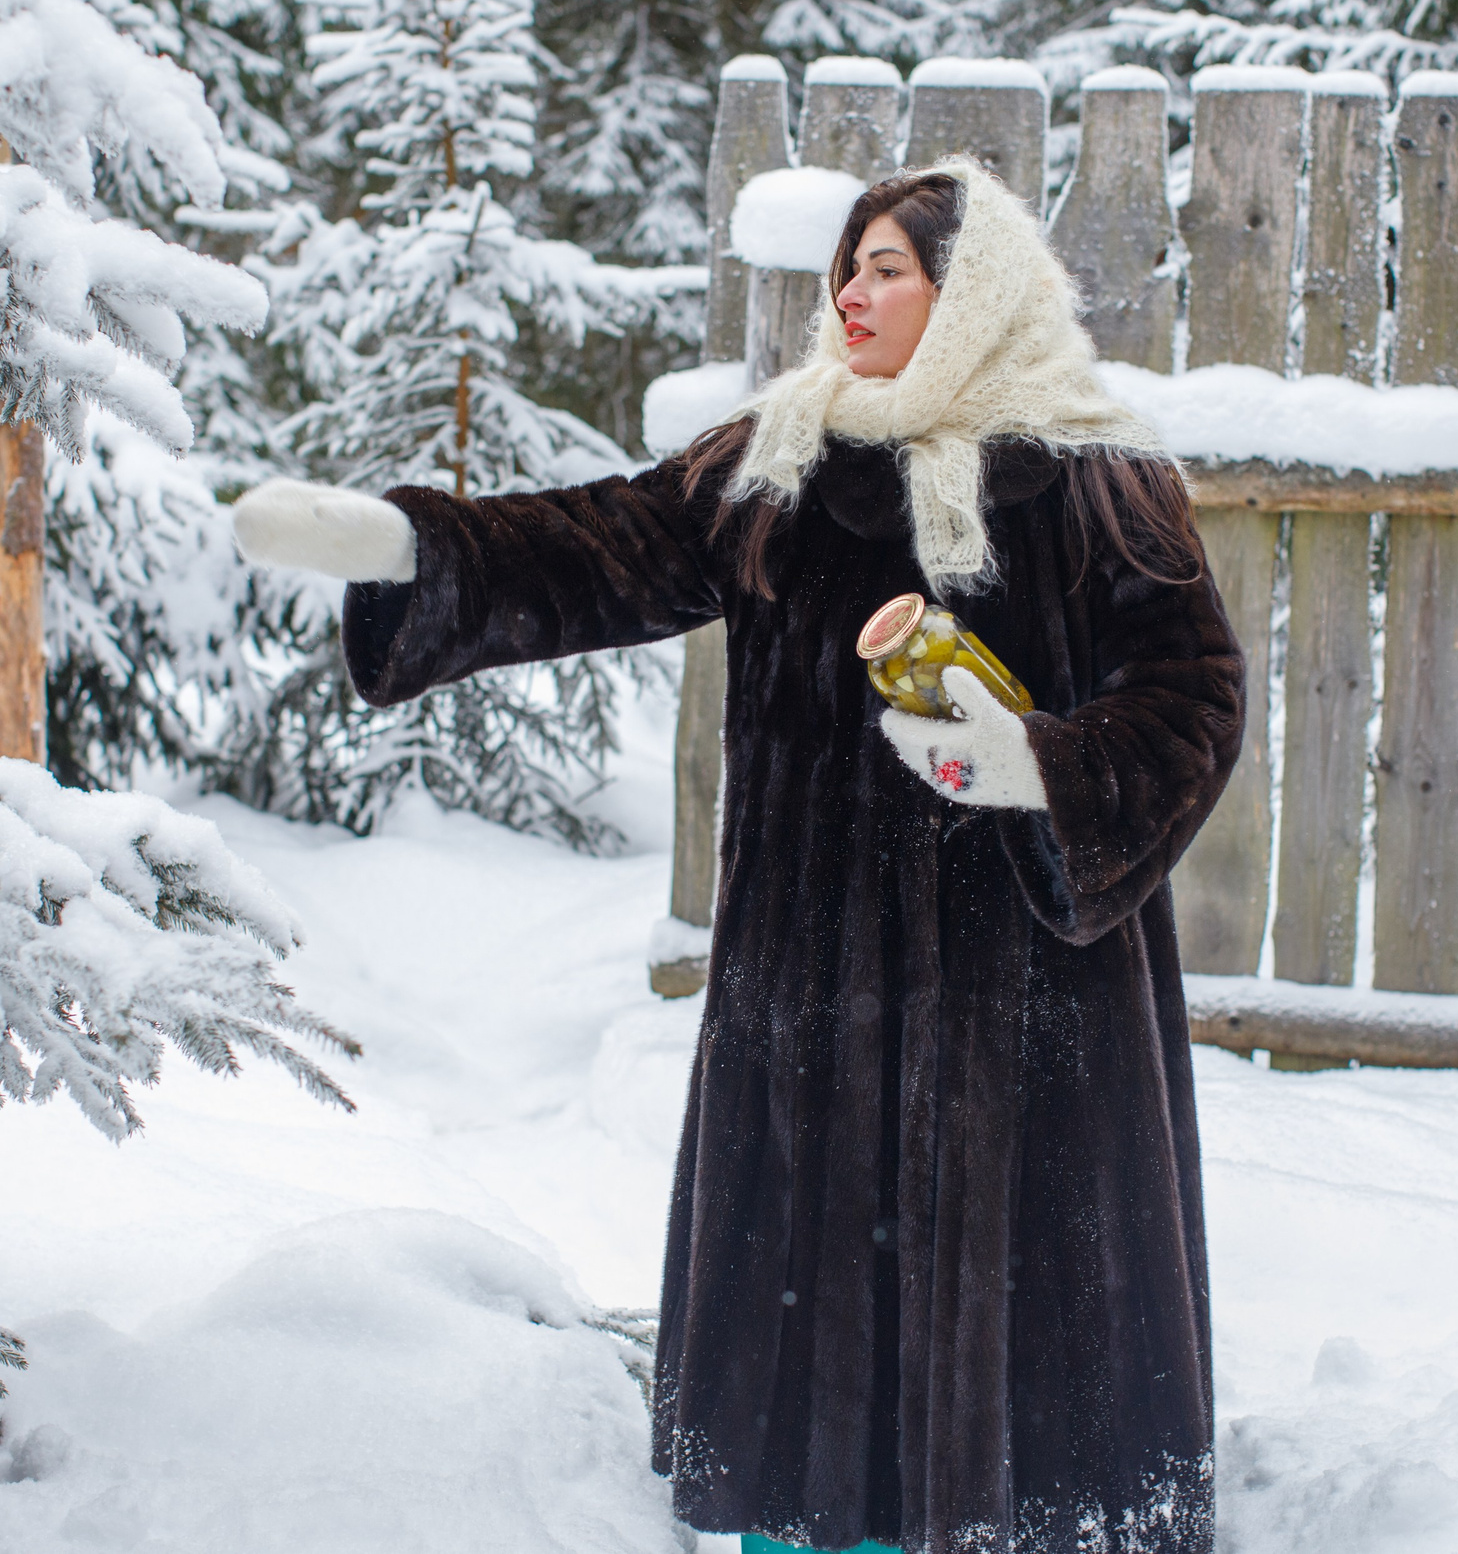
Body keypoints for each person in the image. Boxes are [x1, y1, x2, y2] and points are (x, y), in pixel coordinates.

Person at [233, 159, 1246, 1554]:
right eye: (849, 267)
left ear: (974, 292)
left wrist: (1042, 769)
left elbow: (1196, 696)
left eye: (889, 268)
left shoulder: (1095, 476)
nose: (852, 293)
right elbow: (603, 547)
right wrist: (418, 549)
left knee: (1027, 1303)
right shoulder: (780, 461)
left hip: (1026, 1002)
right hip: (811, 990)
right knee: (816, 1302)